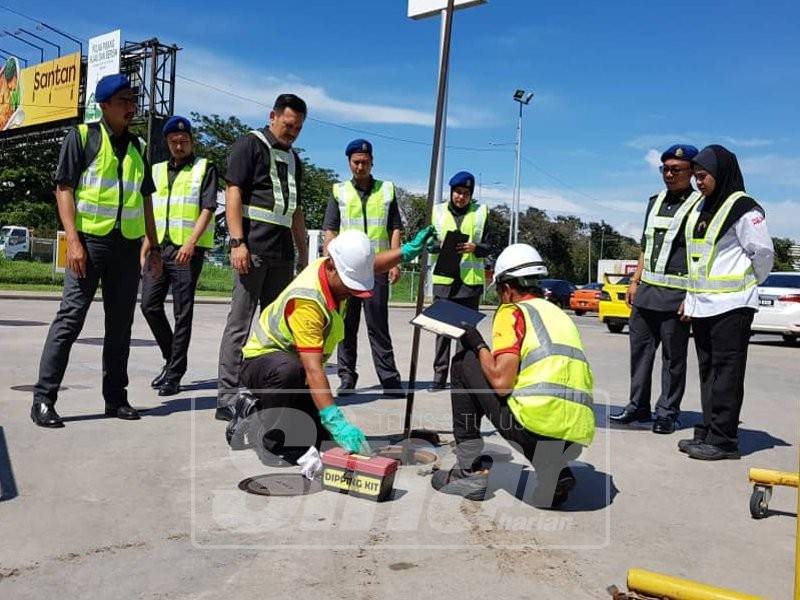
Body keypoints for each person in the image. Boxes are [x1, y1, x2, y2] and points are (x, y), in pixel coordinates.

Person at [225, 227, 436, 464]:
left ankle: (252, 410)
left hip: (296, 370)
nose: (352, 291)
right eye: (349, 284)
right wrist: (335, 419)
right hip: (266, 366)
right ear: (332, 267)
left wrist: (406, 251)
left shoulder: (335, 269)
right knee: (290, 375)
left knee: (320, 440)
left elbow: (369, 265)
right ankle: (269, 439)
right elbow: (313, 369)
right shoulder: (308, 301)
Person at [31, 74, 162, 427]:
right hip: (90, 244)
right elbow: (64, 190)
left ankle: (116, 399)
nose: (130, 107)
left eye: (132, 101)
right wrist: (72, 240)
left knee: (120, 326)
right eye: (123, 101)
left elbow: (146, 199)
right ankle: (44, 399)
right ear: (104, 105)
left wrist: (154, 244)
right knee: (70, 319)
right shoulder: (83, 137)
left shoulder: (137, 146)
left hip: (127, 246)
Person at [432, 244, 595, 506]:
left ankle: (468, 471)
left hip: (536, 426)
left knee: (464, 362)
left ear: (507, 289)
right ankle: (554, 470)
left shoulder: (513, 312)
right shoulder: (558, 314)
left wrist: (477, 343)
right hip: (573, 433)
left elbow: (501, 382)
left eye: (498, 291)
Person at [216, 94, 310, 421]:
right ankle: (228, 397)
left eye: (298, 128)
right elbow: (234, 193)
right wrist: (237, 242)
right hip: (252, 248)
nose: (292, 132)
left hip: (282, 253)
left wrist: (303, 254)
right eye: (287, 125)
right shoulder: (249, 145)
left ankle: (268, 392)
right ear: (272, 117)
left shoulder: (295, 159)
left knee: (277, 329)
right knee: (239, 325)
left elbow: (296, 210)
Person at [678, 145, 774, 460]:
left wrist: (747, 285)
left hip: (732, 306)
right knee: (708, 371)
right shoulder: (701, 207)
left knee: (727, 373)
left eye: (702, 176)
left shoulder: (744, 208)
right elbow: (697, 259)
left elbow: (763, 253)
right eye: (695, 177)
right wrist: (691, 300)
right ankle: (709, 429)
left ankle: (724, 440)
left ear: (720, 174)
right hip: (704, 305)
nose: (697, 182)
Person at [610, 144, 701, 434]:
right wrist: (635, 281)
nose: (669, 174)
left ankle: (667, 412)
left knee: (673, 359)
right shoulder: (654, 201)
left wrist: (693, 297)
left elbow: (700, 254)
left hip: (676, 297)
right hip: (646, 293)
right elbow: (646, 245)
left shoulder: (700, 206)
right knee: (640, 354)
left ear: (691, 172)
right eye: (665, 169)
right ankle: (638, 406)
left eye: (677, 169)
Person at [140, 116, 218, 396]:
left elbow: (208, 208)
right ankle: (171, 358)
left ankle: (174, 374)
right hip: (159, 249)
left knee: (182, 313)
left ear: (192, 141)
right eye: (174, 141)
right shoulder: (156, 170)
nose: (179, 145)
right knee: (149, 305)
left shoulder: (204, 168)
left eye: (184, 141)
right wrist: (145, 245)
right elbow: (149, 210)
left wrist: (191, 243)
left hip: (188, 251)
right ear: (167, 143)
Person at [322, 139, 404, 398]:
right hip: (347, 269)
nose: (361, 166)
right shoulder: (339, 191)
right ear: (349, 163)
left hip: (377, 267)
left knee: (378, 324)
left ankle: (389, 379)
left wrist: (395, 261)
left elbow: (395, 228)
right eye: (356, 162)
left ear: (372, 162)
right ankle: (347, 378)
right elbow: (330, 230)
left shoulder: (387, 190)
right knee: (346, 325)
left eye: (365, 162)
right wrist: (329, 262)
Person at [428, 170, 491, 391]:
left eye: (465, 193)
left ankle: (461, 376)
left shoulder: (481, 213)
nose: (460, 197)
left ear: (470, 195)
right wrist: (441, 245)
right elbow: (428, 244)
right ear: (451, 191)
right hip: (444, 281)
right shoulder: (437, 212)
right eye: (457, 192)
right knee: (442, 332)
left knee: (466, 333)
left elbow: (489, 246)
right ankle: (439, 376)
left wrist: (476, 248)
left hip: (469, 284)